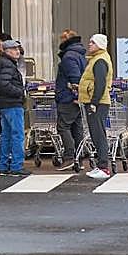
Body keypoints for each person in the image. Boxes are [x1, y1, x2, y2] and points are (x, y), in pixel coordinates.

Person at [80, 34, 115, 180]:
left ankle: (103, 167)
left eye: (92, 42)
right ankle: (101, 166)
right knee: (96, 134)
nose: (89, 45)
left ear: (99, 45)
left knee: (98, 134)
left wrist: (94, 102)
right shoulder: (97, 58)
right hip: (96, 101)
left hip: (98, 103)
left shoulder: (100, 60)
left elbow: (100, 83)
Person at [53, 30, 87, 171]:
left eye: (61, 39)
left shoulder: (69, 57)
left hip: (68, 98)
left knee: (63, 126)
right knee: (77, 128)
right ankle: (79, 158)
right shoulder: (80, 55)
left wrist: (74, 95)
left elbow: (75, 78)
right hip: (76, 98)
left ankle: (69, 157)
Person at [0, 39, 28, 177]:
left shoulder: (3, 62)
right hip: (13, 103)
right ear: (7, 51)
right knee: (18, 135)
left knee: (6, 136)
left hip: (4, 104)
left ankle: (3, 165)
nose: (18, 51)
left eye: (18, 49)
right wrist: (20, 92)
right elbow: (4, 84)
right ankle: (16, 165)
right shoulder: (8, 65)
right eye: (14, 49)